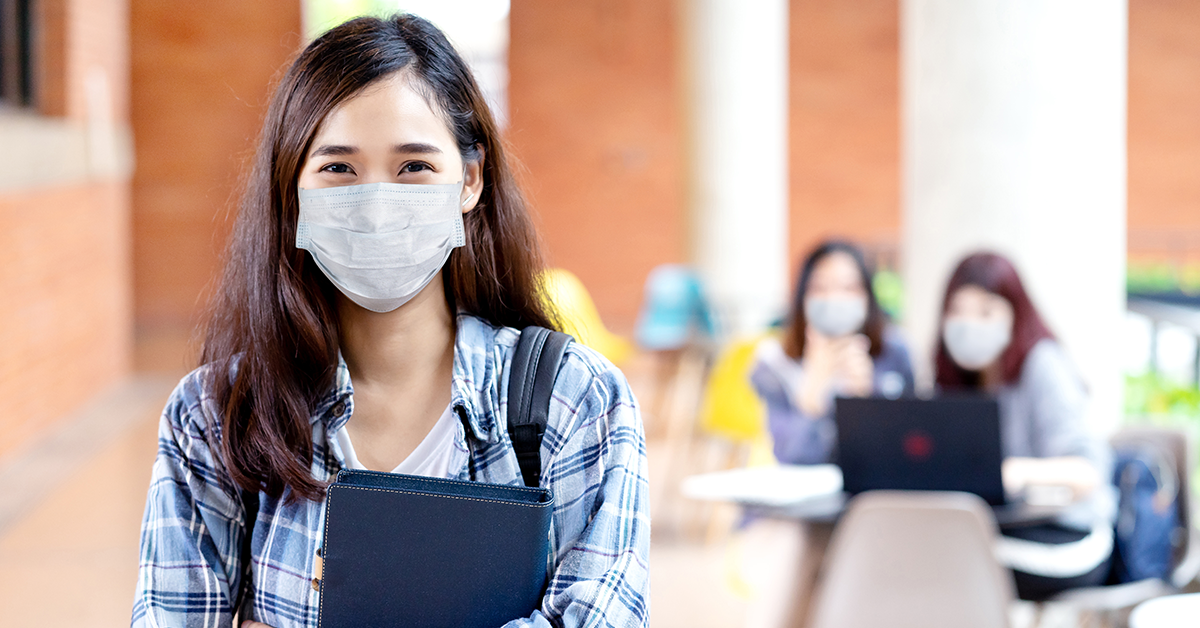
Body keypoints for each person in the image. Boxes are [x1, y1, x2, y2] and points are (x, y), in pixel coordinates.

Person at [130, 15, 649, 628]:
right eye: (339, 169)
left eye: (413, 167)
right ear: (291, 189)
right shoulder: (215, 416)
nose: (376, 206)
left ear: (470, 179)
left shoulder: (576, 402)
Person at [935, 251, 1115, 600]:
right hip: (1000, 531)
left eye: (985, 312)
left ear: (1015, 314)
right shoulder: (962, 383)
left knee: (942, 562)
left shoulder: (1043, 364)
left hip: (1070, 536)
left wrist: (1011, 472)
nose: (970, 324)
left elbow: (1089, 473)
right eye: (958, 312)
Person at [751, 240, 915, 465]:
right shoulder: (774, 363)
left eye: (848, 288)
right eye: (820, 288)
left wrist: (867, 400)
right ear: (802, 297)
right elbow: (790, 457)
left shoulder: (894, 352)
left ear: (868, 296)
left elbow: (906, 450)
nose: (834, 299)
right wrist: (812, 393)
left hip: (874, 496)